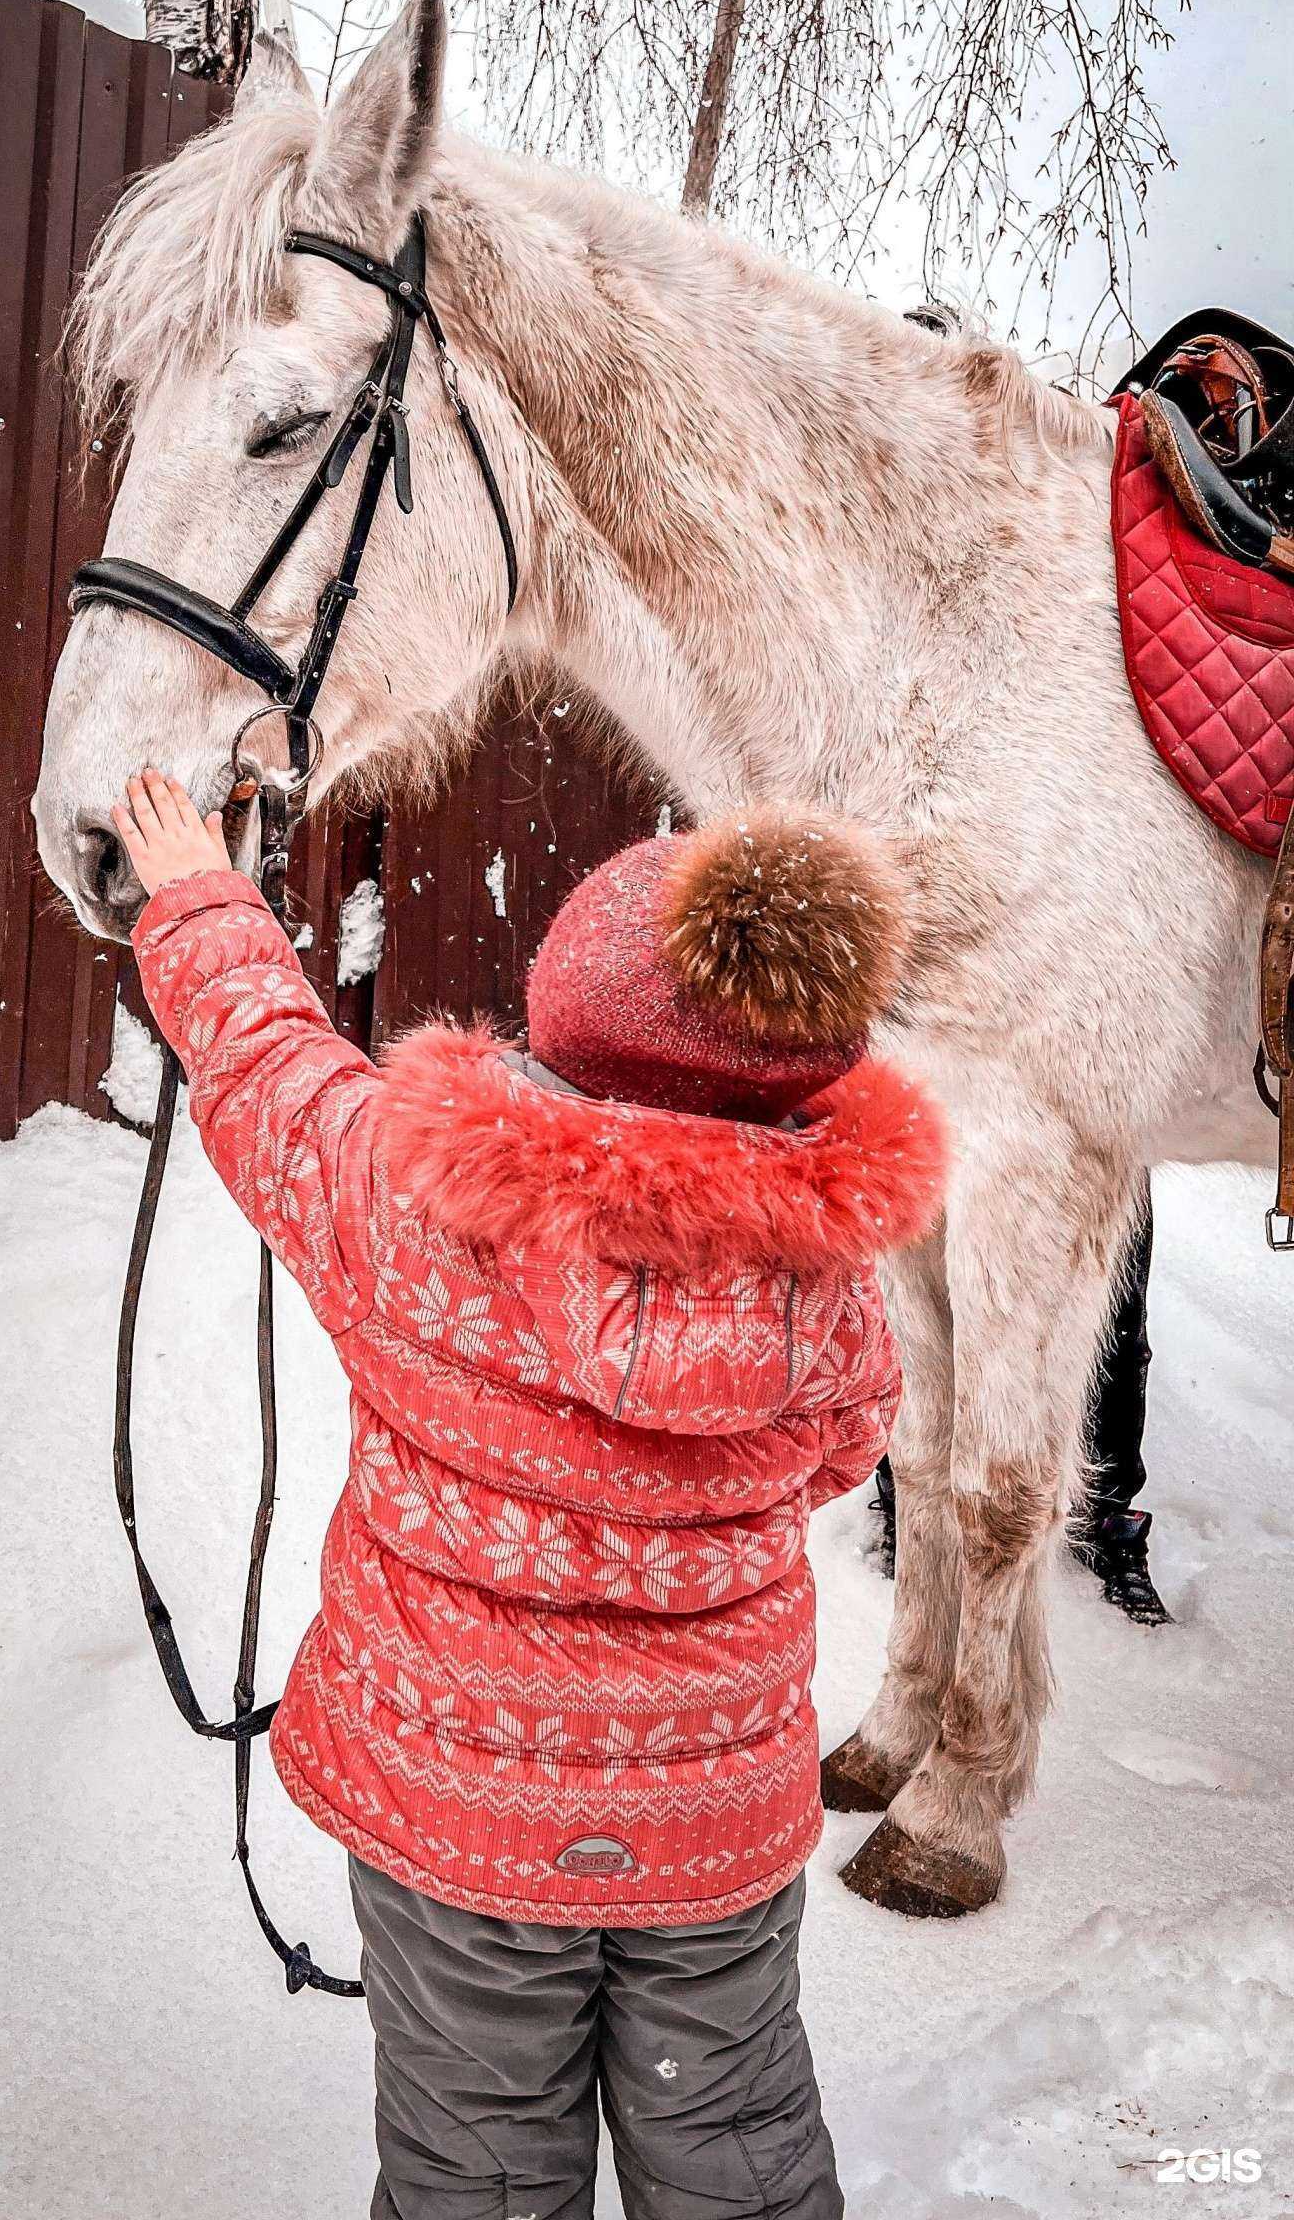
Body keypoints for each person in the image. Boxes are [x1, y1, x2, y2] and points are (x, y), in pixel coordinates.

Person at [114, 770, 947, 2220]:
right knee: (736, 2138)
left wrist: (197, 896)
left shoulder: (408, 1193)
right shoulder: (830, 1278)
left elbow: (265, 1068)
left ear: (564, 1012)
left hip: (465, 1815)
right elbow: (843, 1450)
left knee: (480, 2165)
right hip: (712, 1812)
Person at [870, 1181, 1170, 1626]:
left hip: (1099, 1134)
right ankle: (910, 1488)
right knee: (931, 1303)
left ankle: (1105, 1511)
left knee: (1107, 1324)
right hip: (957, 1125)